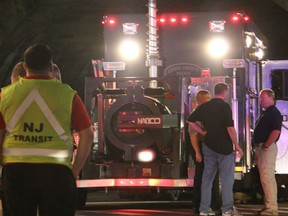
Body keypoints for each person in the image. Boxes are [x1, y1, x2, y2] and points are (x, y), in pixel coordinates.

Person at [0, 43, 93, 216]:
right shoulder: (67, 94)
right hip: (57, 173)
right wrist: (75, 170)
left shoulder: (5, 95)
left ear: (25, 66)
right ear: (51, 66)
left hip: (16, 172)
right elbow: (87, 135)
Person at [187, 82, 243, 216]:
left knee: (207, 179)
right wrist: (237, 144)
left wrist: (202, 132)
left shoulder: (205, 106)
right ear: (225, 92)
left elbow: (190, 121)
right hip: (224, 148)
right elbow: (230, 128)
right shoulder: (225, 106)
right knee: (226, 180)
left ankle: (204, 209)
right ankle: (227, 210)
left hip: (208, 146)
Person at [188, 89, 221, 214]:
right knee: (201, 176)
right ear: (200, 101)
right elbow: (193, 136)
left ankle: (212, 204)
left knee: (211, 176)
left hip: (209, 146)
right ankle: (199, 205)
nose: (209, 102)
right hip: (200, 146)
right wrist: (197, 152)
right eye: (207, 100)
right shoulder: (196, 114)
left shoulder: (206, 113)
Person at [253, 89, 283, 216]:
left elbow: (275, 131)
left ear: (271, 98)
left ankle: (271, 209)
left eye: (262, 98)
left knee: (267, 178)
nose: (260, 101)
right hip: (263, 148)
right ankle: (269, 206)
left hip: (266, 148)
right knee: (265, 178)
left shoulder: (273, 113)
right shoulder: (268, 113)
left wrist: (265, 146)